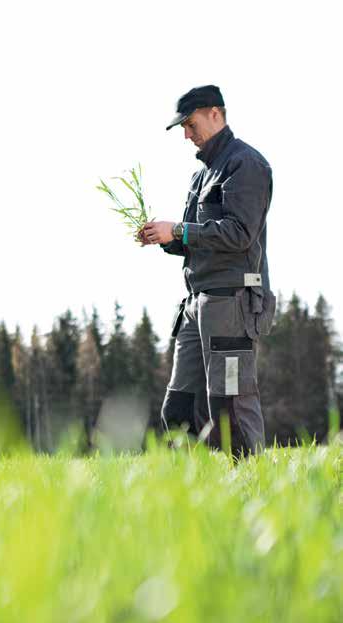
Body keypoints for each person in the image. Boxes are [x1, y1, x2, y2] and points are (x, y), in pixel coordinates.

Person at [140, 84, 275, 456]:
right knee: (178, 409)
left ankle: (253, 488)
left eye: (189, 124)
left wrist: (179, 229)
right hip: (197, 302)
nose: (186, 134)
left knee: (229, 405)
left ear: (215, 113)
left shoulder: (246, 164)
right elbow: (195, 240)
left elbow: (240, 233)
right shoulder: (201, 175)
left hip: (231, 302)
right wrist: (164, 237)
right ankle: (193, 496)